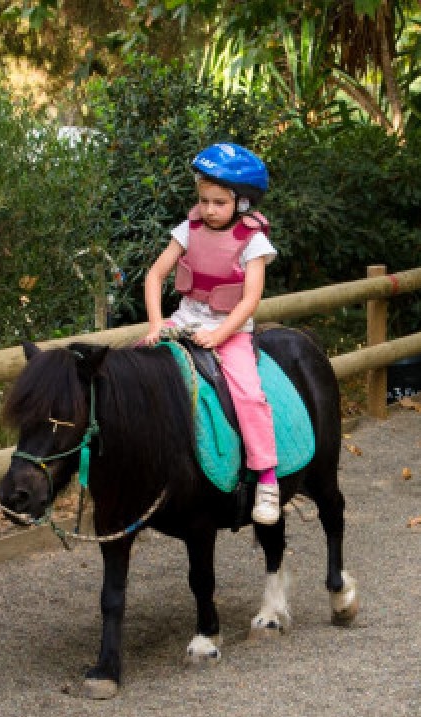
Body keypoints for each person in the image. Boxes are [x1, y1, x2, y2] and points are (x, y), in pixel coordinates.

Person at [141, 142, 281, 525]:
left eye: (219, 202)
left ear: (243, 202)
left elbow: (251, 299)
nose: (209, 210)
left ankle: (266, 477)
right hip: (183, 320)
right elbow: (155, 275)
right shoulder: (188, 229)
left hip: (230, 329)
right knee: (133, 371)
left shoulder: (254, 241)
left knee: (249, 395)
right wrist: (156, 325)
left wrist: (219, 336)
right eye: (204, 201)